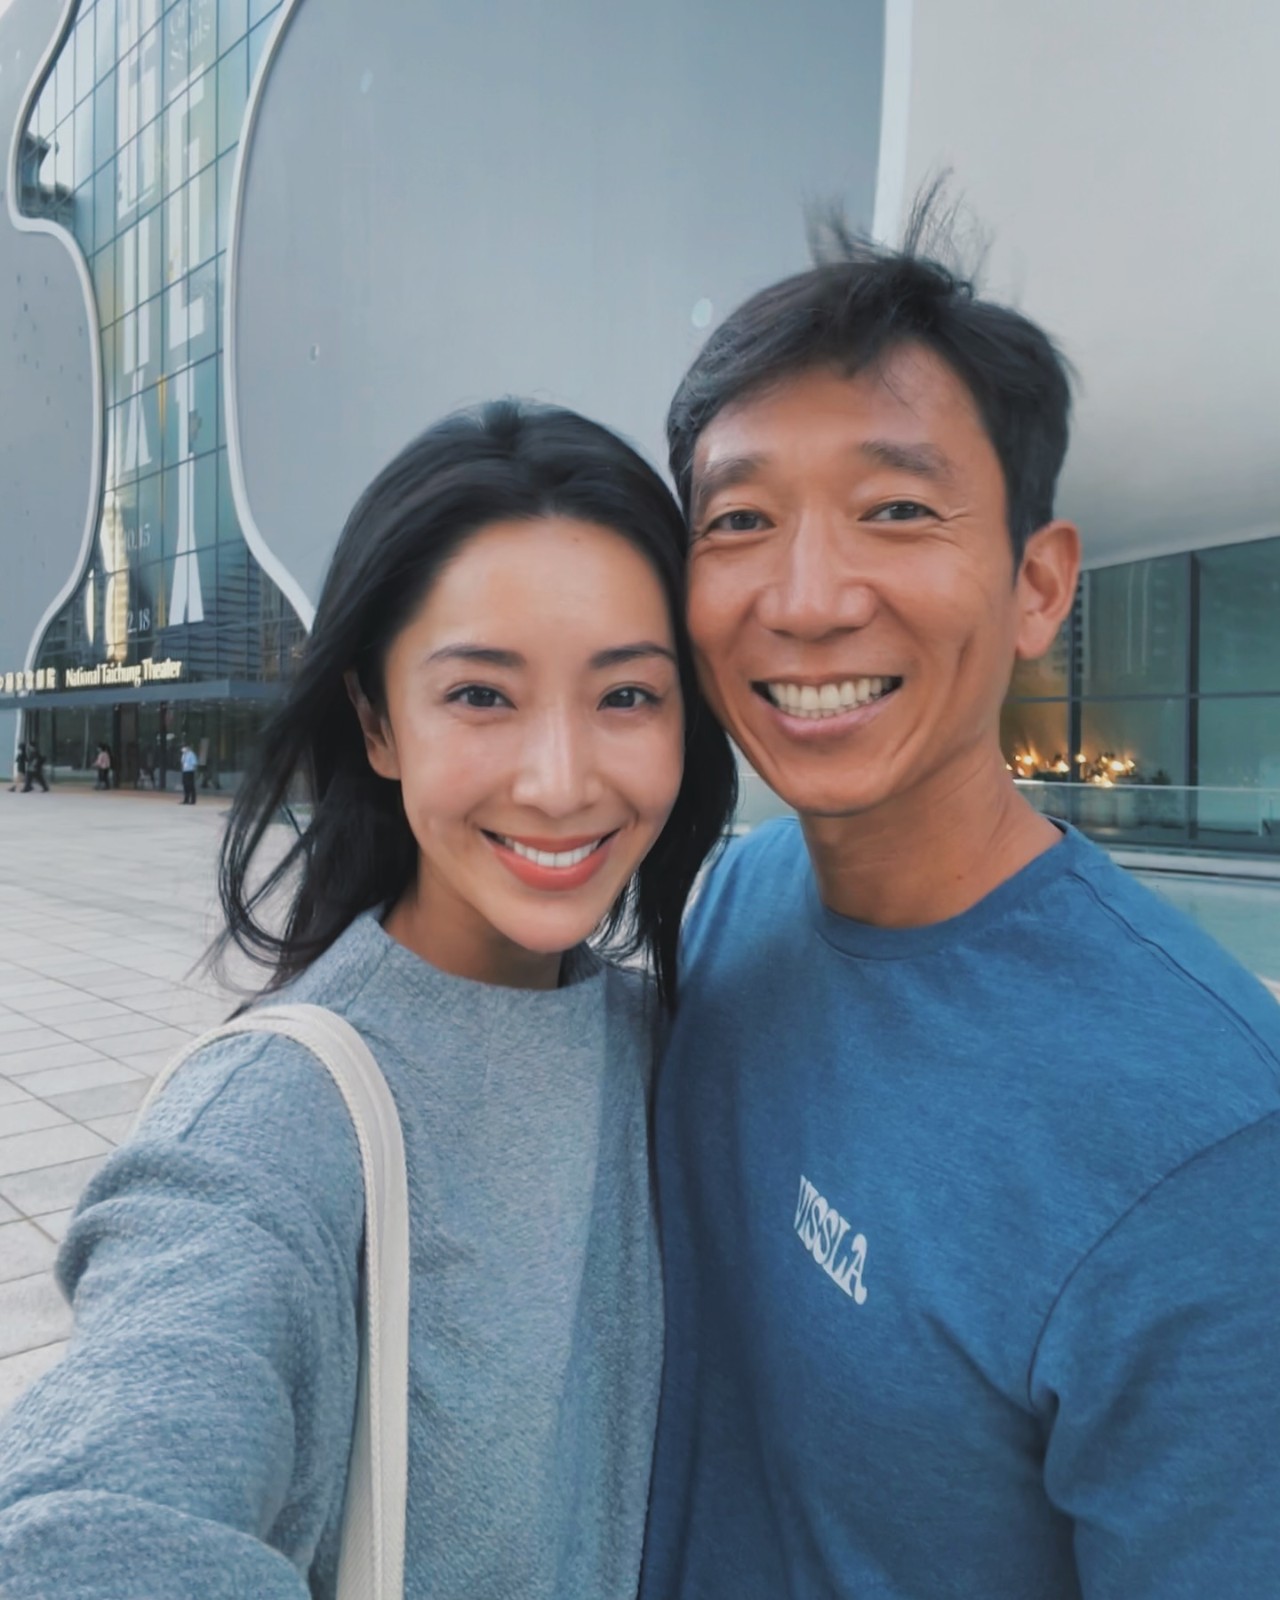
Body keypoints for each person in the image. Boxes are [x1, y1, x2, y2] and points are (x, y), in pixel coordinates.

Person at [639, 205, 1280, 1600]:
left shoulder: (1214, 1137)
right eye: (739, 520)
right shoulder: (733, 904)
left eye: (896, 510)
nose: (807, 600)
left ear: (1037, 586)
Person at [0, 400, 737, 1599]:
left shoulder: (660, 1039)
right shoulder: (276, 1121)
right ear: (377, 723)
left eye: (626, 697)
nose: (560, 782)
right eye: (481, 696)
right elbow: (94, 1506)